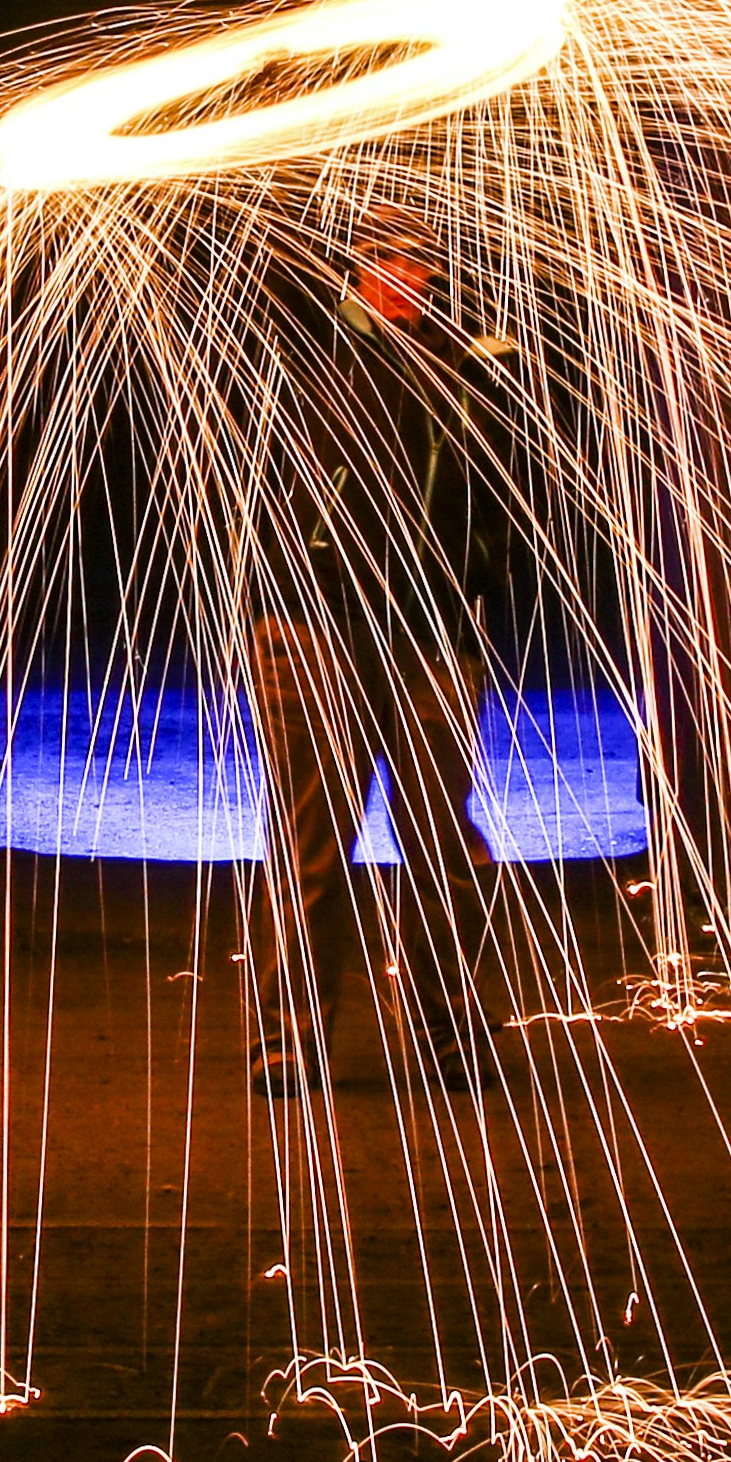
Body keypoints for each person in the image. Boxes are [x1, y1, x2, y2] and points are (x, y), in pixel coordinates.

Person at [248, 205, 521, 1096]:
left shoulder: (471, 368)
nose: (407, 273)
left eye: (421, 258)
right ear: (355, 266)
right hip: (312, 628)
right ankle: (286, 1036)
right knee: (312, 845)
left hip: (433, 633)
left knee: (443, 840)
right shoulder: (306, 353)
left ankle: (445, 1029)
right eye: (385, 256)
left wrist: (477, 585)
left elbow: (503, 494)